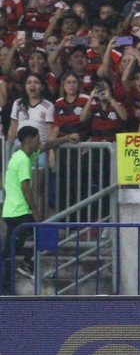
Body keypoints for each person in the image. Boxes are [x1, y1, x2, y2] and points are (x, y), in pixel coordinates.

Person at [2, 125, 78, 293]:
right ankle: (17, 274)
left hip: (16, 211)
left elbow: (45, 147)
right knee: (14, 249)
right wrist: (36, 212)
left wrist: (65, 139)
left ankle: (23, 268)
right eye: (38, 138)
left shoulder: (24, 155)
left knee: (17, 247)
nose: (40, 141)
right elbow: (25, 187)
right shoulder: (22, 160)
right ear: (30, 139)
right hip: (19, 212)